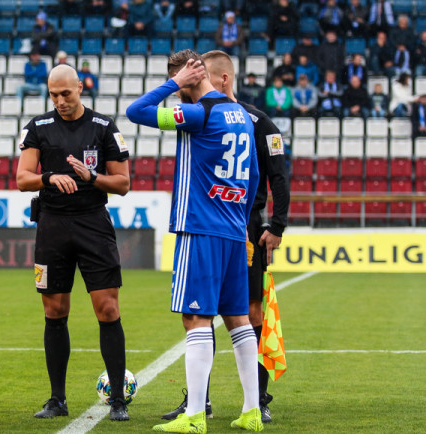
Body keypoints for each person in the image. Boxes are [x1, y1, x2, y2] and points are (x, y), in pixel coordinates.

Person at [126, 50, 262, 433]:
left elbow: (136, 112)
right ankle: (252, 411)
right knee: (237, 319)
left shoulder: (198, 114)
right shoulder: (242, 117)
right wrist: (242, 222)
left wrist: (174, 83)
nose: (177, 96)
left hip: (200, 227)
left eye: (180, 82)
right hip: (234, 230)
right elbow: (252, 177)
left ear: (190, 77)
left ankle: (195, 416)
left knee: (196, 318)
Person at [159, 49, 290, 426]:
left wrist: (274, 225)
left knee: (242, 314)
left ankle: (256, 399)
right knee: (224, 314)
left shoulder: (256, 122)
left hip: (239, 226)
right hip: (234, 224)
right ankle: (202, 401)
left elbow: (275, 177)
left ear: (223, 79)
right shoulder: (219, 116)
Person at [16, 64, 131, 422]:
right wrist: (49, 177)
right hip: (52, 226)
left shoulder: (103, 128)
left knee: (107, 309)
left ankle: (117, 401)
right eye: (54, 94)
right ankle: (57, 399)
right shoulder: (38, 128)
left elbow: (123, 183)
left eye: (66, 93)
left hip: (93, 224)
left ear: (80, 88)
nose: (60, 100)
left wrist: (92, 176)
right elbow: (22, 178)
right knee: (54, 311)